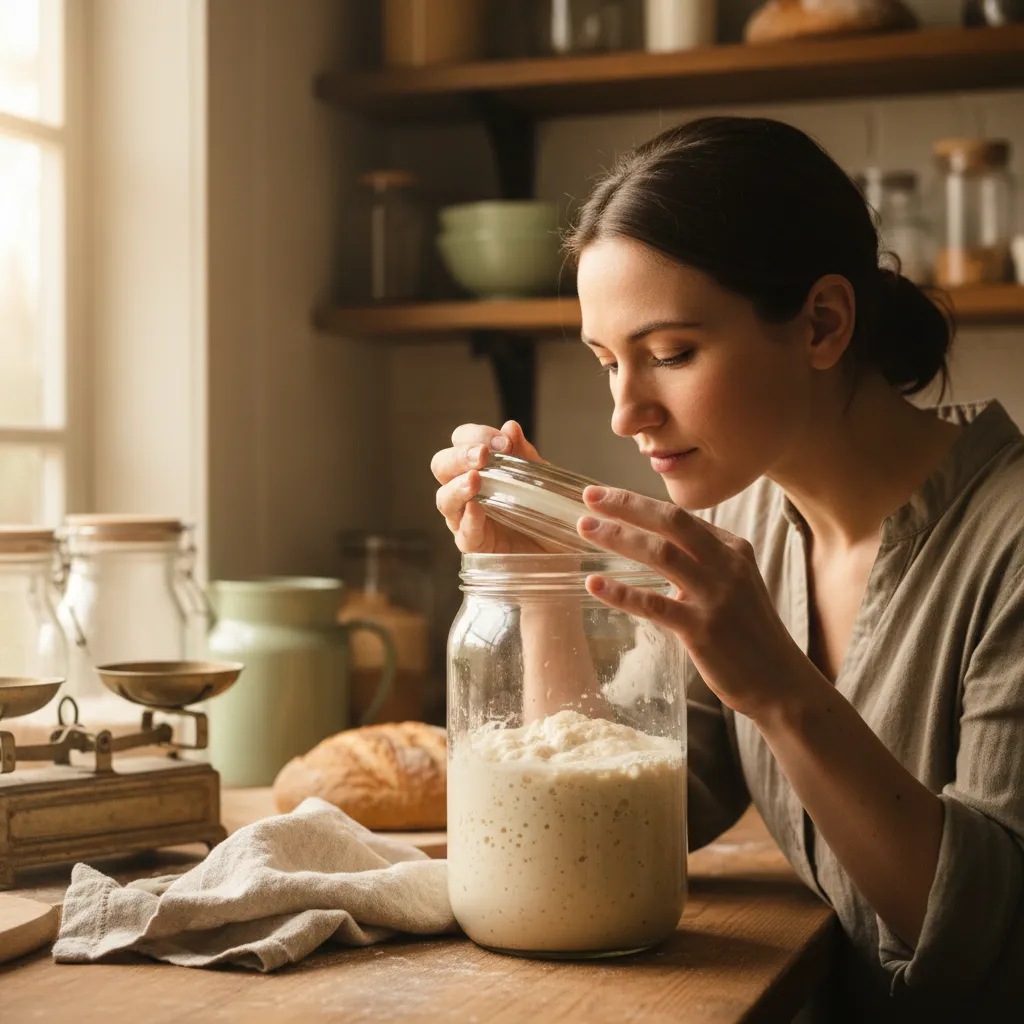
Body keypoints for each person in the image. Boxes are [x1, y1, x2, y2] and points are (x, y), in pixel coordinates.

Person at [430, 117, 1024, 1021]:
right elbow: (621, 824)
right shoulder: (736, 526)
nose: (629, 414)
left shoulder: (1009, 539)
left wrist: (781, 689)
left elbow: (997, 945)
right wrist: (542, 582)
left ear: (822, 323)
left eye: (670, 354)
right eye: (607, 362)